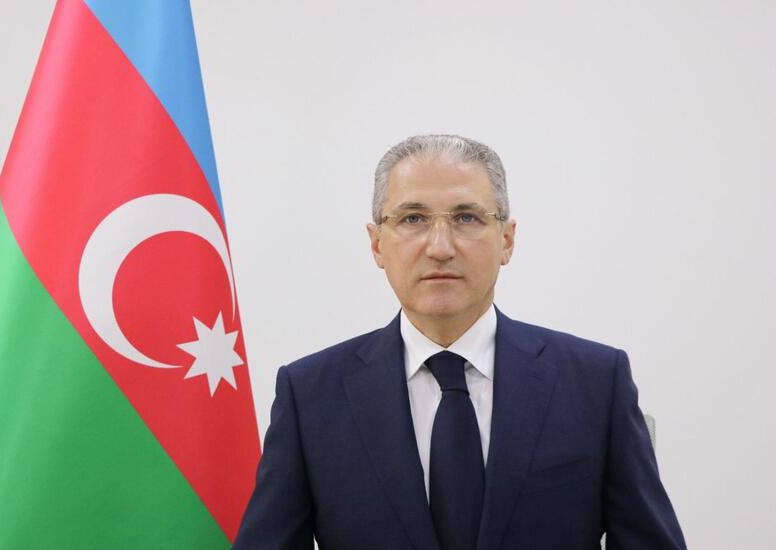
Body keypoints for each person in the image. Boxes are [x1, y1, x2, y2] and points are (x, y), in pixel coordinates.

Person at [232, 134, 687, 549]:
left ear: (506, 240)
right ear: (377, 245)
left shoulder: (596, 383)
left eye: (466, 217)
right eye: (413, 218)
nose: (440, 246)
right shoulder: (311, 395)